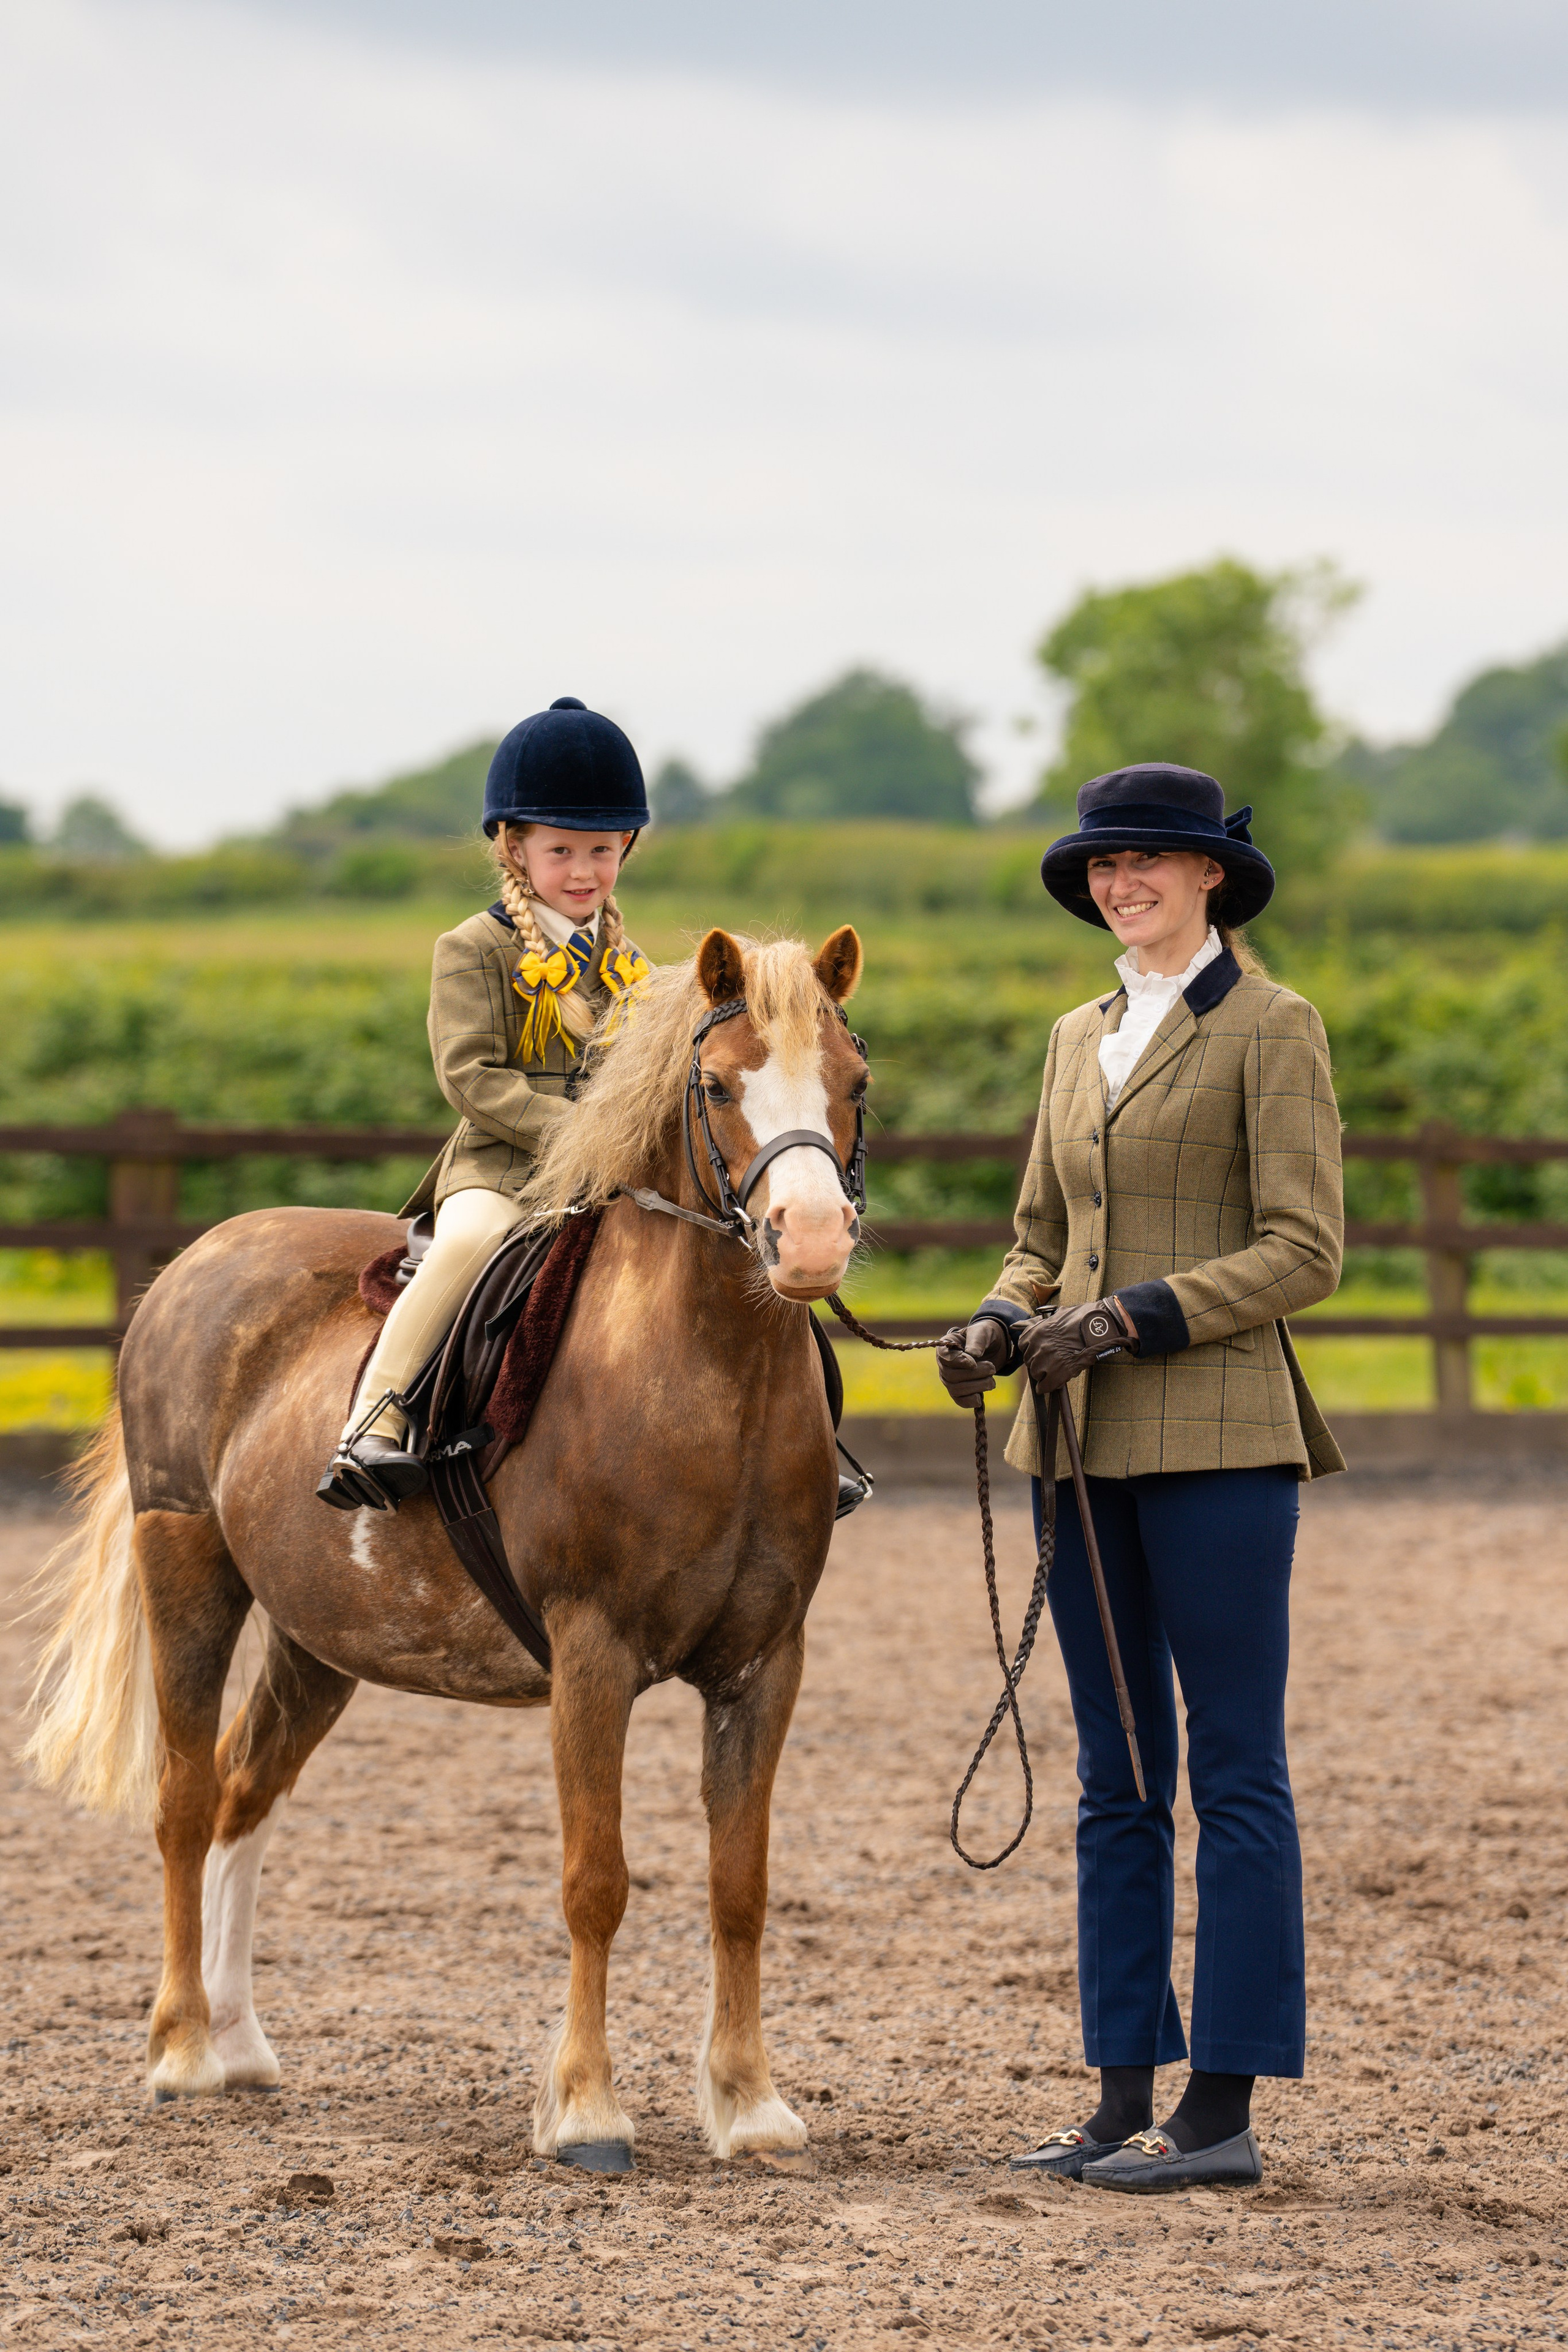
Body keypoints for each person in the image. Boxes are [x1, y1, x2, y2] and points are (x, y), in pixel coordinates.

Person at [937, 762, 1343, 2193]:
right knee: (1115, 1782)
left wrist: (1130, 1317)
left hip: (1221, 1440)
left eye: (1150, 863)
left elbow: (1304, 1249)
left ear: (1210, 877)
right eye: (1104, 867)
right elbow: (1036, 1232)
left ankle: (1219, 2110)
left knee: (1234, 1768)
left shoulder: (1271, 1029)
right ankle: (1117, 2096)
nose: (1122, 885)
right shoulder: (1075, 1035)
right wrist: (1003, 1314)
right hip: (1075, 1447)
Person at [318, 695, 651, 1512]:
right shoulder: (474, 948)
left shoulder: (633, 964)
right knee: (469, 1245)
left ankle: (799, 1441)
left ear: (625, 849)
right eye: (562, 850)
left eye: (601, 851)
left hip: (614, 1174)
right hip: (503, 1172)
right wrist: (587, 1137)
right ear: (515, 846)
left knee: (726, 1248)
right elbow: (470, 1076)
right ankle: (375, 1421)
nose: (582, 872)